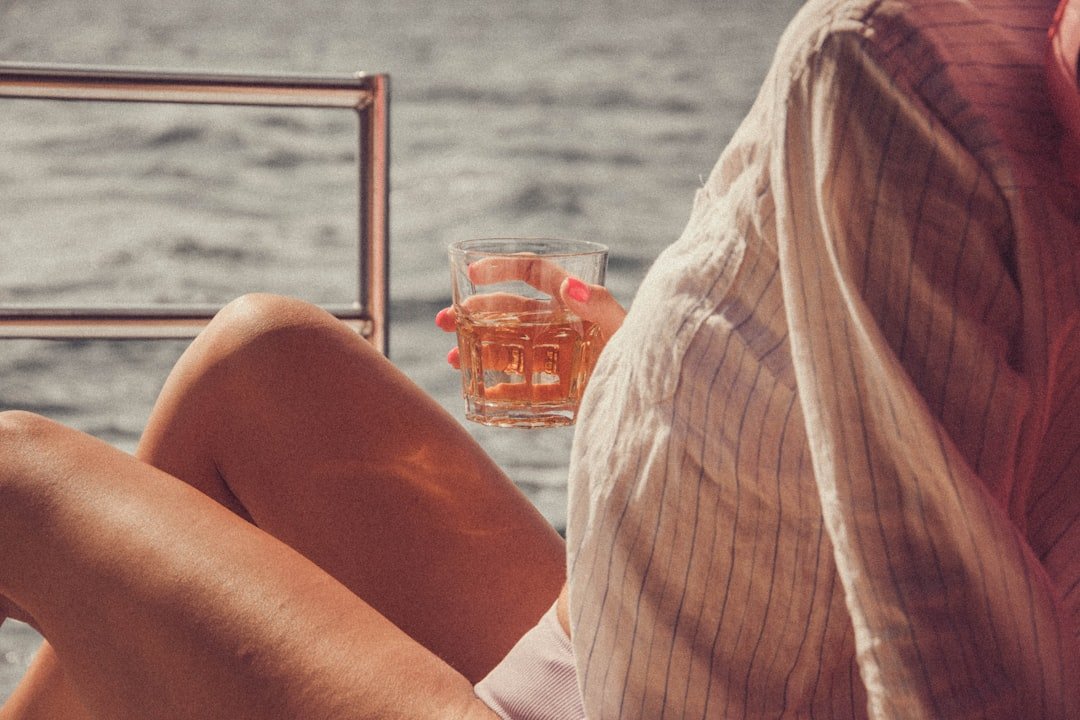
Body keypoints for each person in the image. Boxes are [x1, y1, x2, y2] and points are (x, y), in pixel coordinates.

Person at [1, 0, 1079, 717]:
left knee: (16, 476)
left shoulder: (892, 64)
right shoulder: (981, 69)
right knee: (262, 359)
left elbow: (950, 659)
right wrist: (653, 379)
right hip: (613, 651)